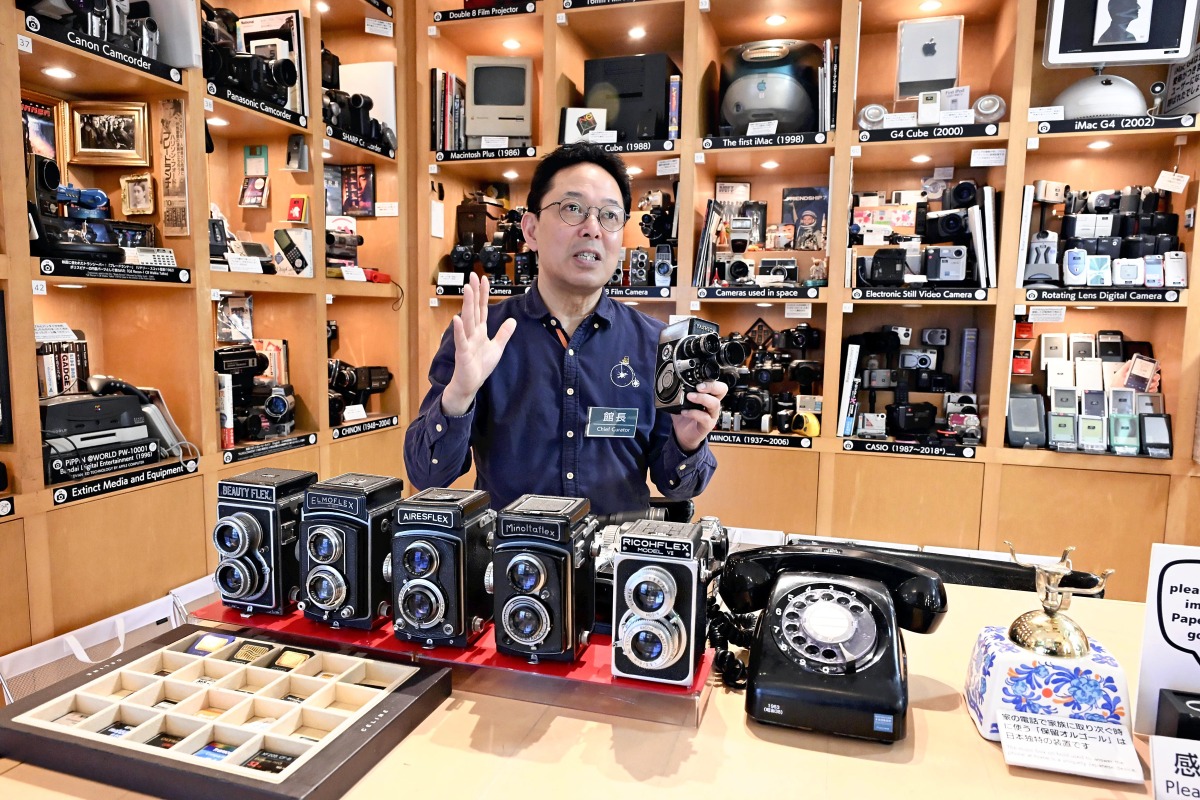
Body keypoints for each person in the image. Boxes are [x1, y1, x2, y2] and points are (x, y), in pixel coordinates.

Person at [404, 143, 727, 518]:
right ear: (531, 229)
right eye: (572, 208)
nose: (592, 229)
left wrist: (688, 443)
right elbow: (426, 474)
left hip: (614, 565)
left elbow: (679, 486)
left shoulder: (655, 343)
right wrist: (458, 397)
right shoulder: (481, 335)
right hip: (513, 560)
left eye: (609, 215)